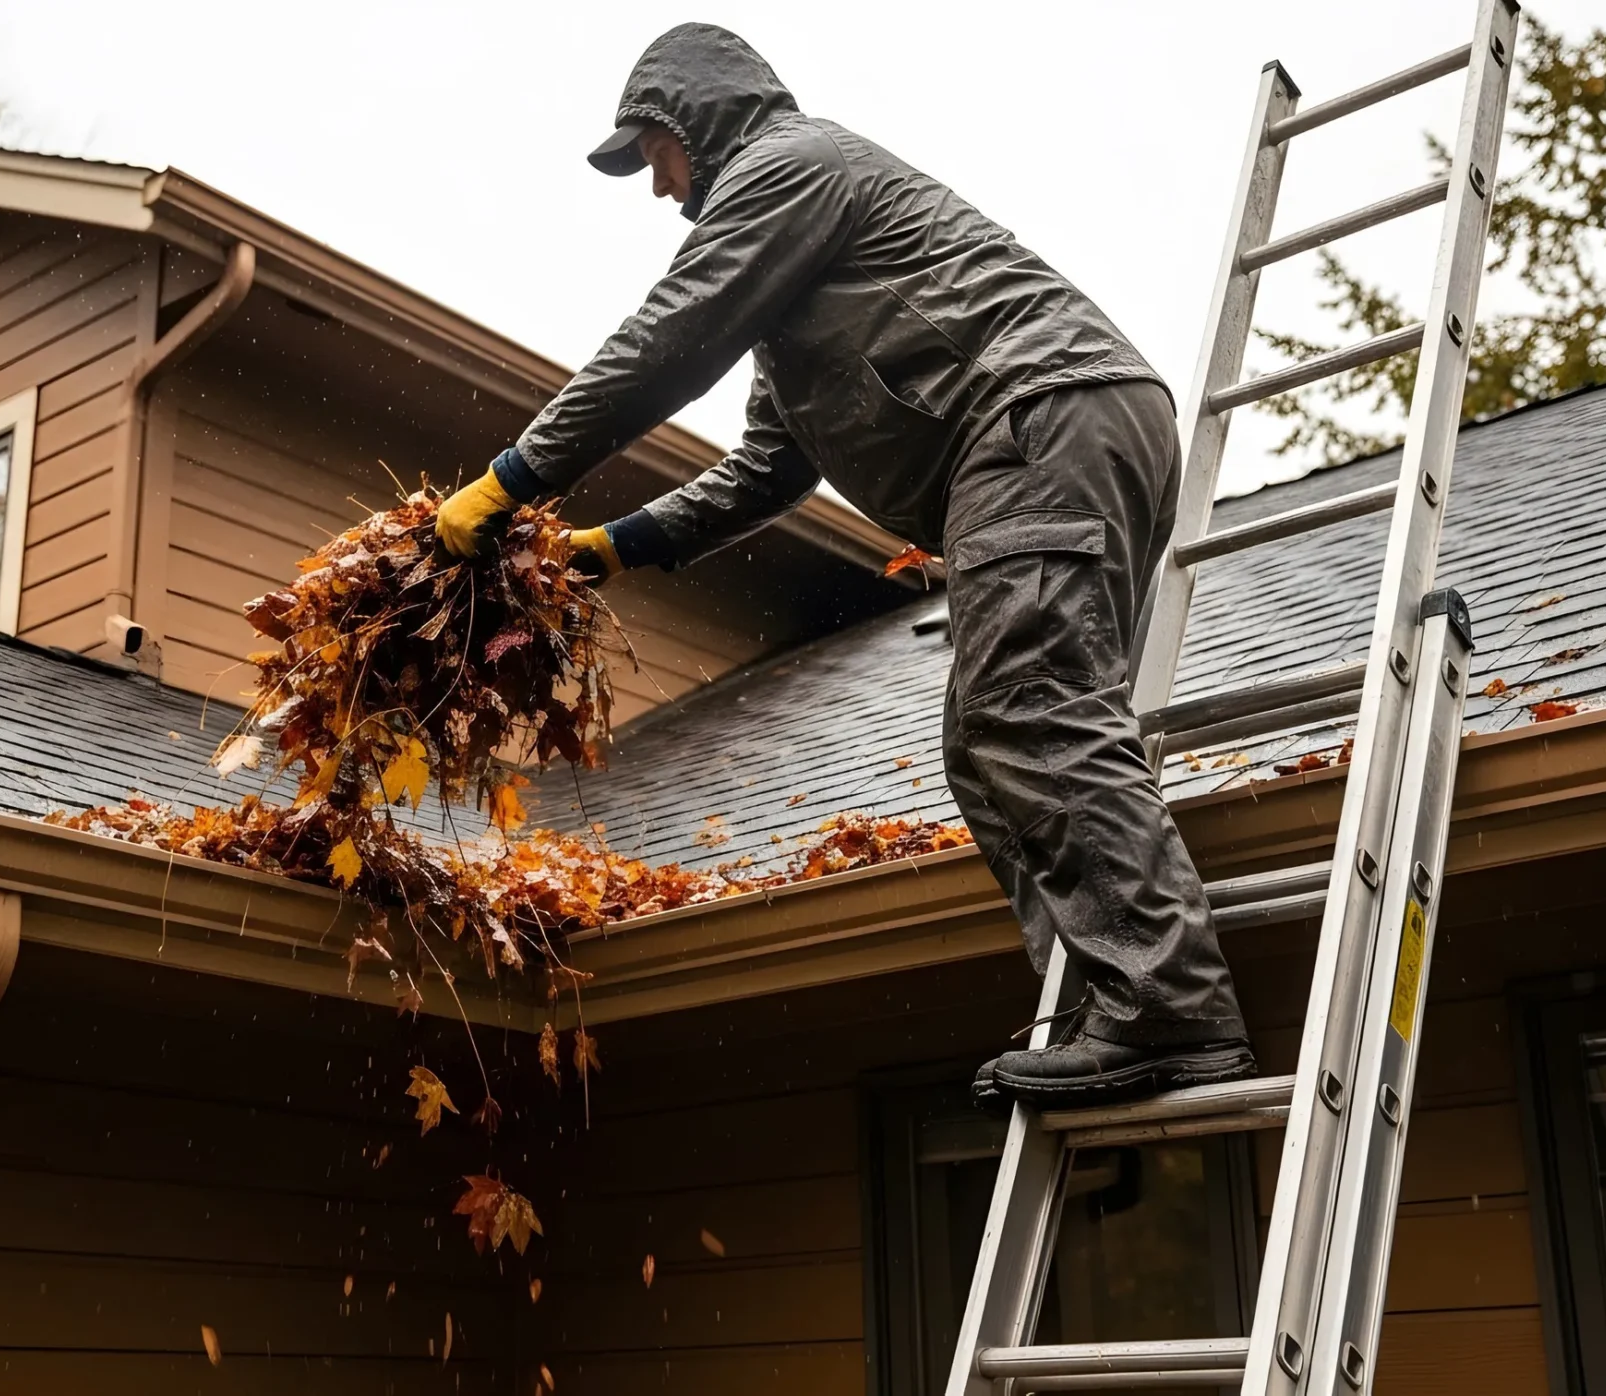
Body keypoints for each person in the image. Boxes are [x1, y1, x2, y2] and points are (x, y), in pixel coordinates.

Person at [434, 23, 1251, 1108]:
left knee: (1030, 711)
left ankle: (1168, 1008)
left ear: (691, 125)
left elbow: (668, 339)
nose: (655, 187)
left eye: (653, 156)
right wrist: (610, 547)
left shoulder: (788, 167)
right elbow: (770, 470)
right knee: (987, 740)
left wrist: (514, 476)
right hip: (1055, 431)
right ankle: (1110, 1004)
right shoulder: (795, 281)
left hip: (1036, 423)